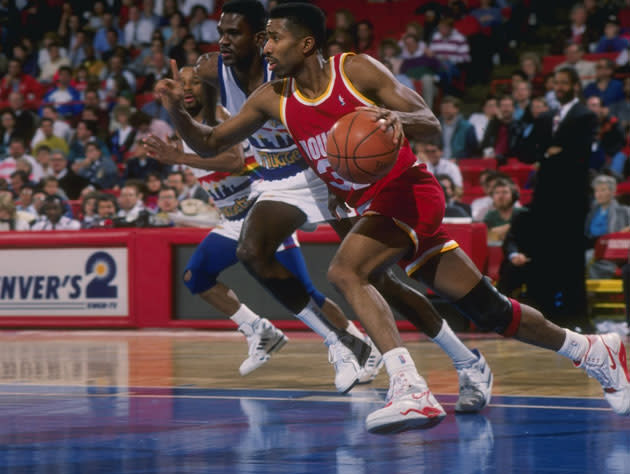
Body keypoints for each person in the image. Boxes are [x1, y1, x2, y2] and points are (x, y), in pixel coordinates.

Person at [154, 3, 630, 433]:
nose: (267, 47)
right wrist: (177, 111)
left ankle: (410, 388)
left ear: (305, 43)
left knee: (347, 270)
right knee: (490, 311)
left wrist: (396, 119)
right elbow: (212, 144)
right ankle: (592, 350)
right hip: (372, 205)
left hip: (409, 190)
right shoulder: (271, 98)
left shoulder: (354, 69)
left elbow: (430, 119)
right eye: (265, 40)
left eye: (273, 37)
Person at [148, 0, 495, 412]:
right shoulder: (212, 68)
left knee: (379, 280)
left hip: (328, 167)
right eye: (220, 32)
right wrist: (177, 108)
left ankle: (465, 361)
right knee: (251, 250)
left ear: (264, 38)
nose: (223, 41)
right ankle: (343, 341)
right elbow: (209, 129)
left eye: (235, 33)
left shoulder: (297, 65)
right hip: (279, 176)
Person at [148, 65, 381, 387]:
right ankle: (259, 330)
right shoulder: (185, 126)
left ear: (209, 87)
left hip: (262, 211)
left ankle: (361, 346)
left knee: (307, 294)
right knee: (195, 276)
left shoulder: (219, 115)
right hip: (231, 219)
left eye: (195, 83)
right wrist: (173, 114)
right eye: (182, 84)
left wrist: (181, 159)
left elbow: (234, 161)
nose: (187, 88)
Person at [585, 175, 630, 279]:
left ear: (612, 192)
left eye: (603, 190)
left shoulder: (623, 210)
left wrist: (627, 230)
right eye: (596, 191)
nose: (598, 194)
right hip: (591, 244)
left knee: (588, 257)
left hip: (611, 248)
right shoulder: (591, 212)